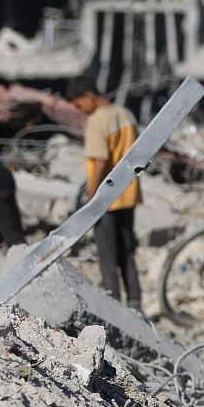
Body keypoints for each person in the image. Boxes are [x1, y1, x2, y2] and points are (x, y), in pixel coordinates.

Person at [68, 78, 142, 308]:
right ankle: (135, 302)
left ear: (88, 96)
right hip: (128, 195)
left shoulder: (97, 121)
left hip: (106, 199)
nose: (81, 111)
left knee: (107, 257)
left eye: (79, 105)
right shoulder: (126, 114)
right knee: (127, 253)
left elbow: (100, 161)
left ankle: (115, 306)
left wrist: (92, 200)